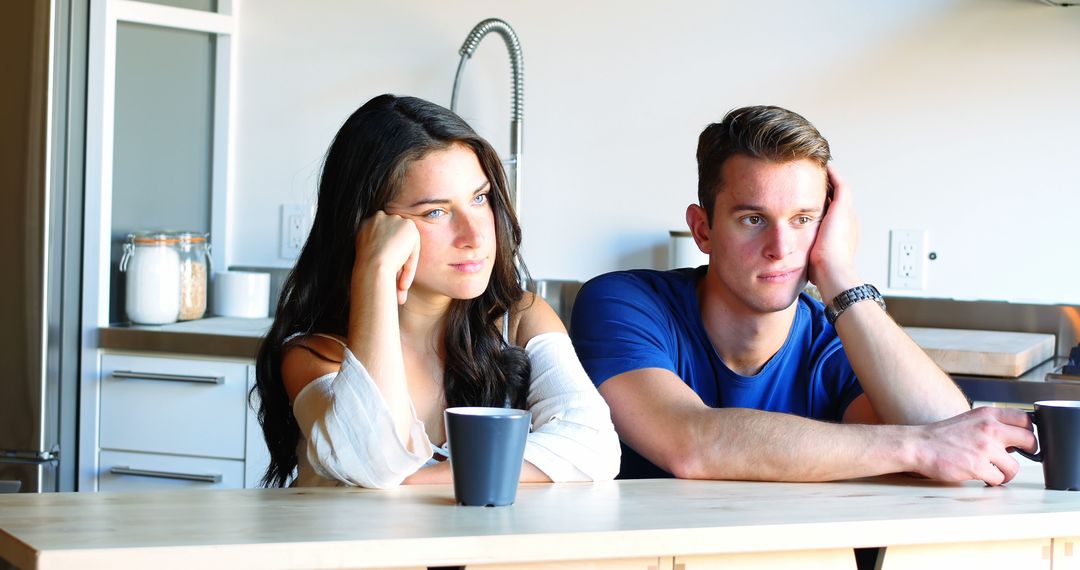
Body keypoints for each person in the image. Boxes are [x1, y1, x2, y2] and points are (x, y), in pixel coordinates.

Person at [569, 105, 1036, 486]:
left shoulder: (835, 341)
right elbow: (691, 443)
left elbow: (946, 429)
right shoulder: (624, 305)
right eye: (753, 219)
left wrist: (840, 275)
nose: (780, 249)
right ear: (703, 228)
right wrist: (916, 445)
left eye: (803, 219)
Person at [253, 94, 620, 488]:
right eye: (435, 212)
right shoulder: (314, 353)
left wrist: (413, 482)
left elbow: (595, 447)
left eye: (480, 199)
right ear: (370, 228)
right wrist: (374, 270)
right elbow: (374, 466)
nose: (476, 235)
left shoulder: (520, 319)